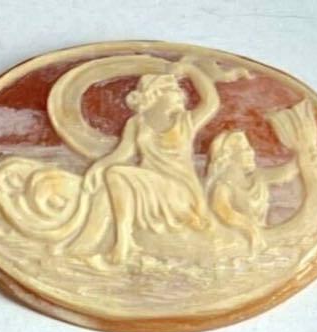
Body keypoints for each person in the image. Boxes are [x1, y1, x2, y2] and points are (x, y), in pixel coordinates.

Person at [71, 64, 221, 266]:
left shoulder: (185, 122)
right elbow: (122, 154)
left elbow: (211, 102)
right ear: (156, 94)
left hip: (181, 192)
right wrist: (98, 167)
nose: (180, 94)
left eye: (178, 90)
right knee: (105, 185)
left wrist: (191, 70)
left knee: (116, 175)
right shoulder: (137, 123)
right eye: (172, 90)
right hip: (148, 186)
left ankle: (123, 243)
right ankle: (88, 244)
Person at [204, 130, 302, 254]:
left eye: (249, 148)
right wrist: (249, 227)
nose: (252, 153)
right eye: (245, 149)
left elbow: (285, 173)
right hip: (236, 243)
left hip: (261, 237)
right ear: (230, 156)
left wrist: (303, 156)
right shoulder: (223, 184)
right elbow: (222, 210)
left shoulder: (257, 176)